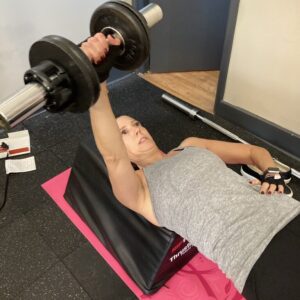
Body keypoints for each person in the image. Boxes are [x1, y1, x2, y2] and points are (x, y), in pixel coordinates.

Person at [81, 33, 300, 299]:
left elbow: (254, 152)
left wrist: (271, 171)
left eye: (136, 124)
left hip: (289, 213)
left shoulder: (190, 144)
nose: (137, 131)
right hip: (256, 256)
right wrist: (97, 87)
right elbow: (112, 157)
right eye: (124, 133)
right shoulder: (139, 191)